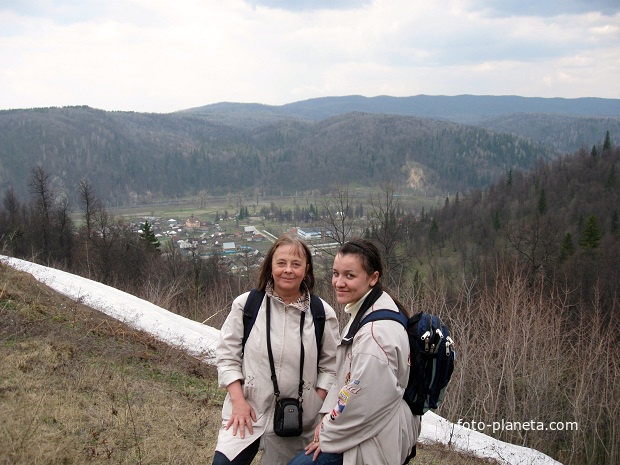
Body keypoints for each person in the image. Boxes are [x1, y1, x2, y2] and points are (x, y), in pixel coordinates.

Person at [288, 238, 420, 465]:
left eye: (349, 275)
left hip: (374, 440)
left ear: (373, 278)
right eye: (335, 273)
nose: (339, 282)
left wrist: (327, 433)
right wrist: (328, 417)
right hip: (369, 428)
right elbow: (349, 380)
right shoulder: (370, 309)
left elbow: (360, 406)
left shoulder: (374, 336)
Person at [213, 234, 340, 465]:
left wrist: (314, 402)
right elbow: (227, 356)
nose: (288, 270)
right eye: (281, 263)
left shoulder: (322, 314)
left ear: (307, 269)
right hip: (248, 411)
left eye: (296, 264)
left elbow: (331, 367)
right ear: (270, 266)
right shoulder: (247, 305)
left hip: (297, 420)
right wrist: (238, 401)